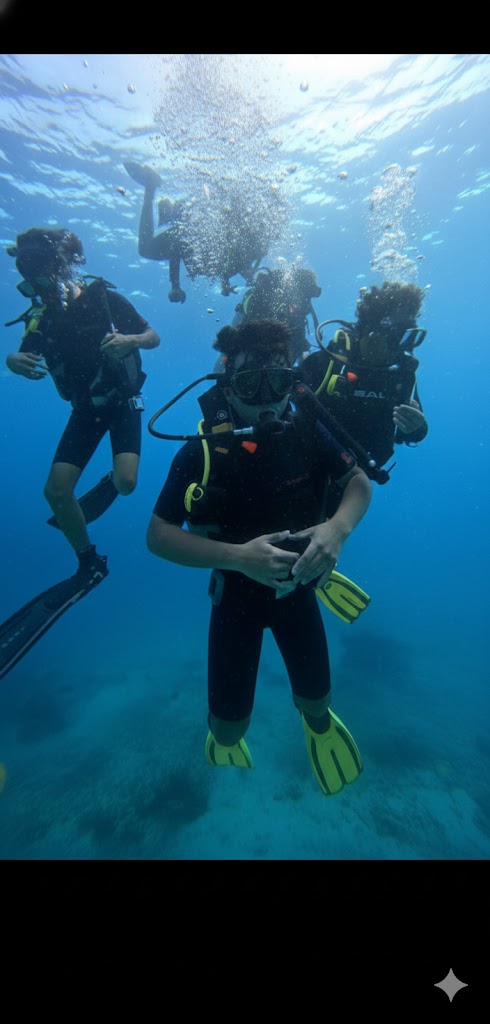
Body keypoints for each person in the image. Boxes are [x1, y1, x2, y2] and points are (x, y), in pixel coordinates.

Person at [146, 319, 372, 797]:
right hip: (236, 603)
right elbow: (158, 536)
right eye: (251, 384)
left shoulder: (308, 431)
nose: (268, 399)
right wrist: (238, 557)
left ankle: (319, 727)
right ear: (229, 386)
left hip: (299, 591)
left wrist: (337, 530)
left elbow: (359, 485)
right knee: (229, 731)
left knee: (317, 703)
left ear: (292, 382)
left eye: (279, 382)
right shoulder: (204, 451)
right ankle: (225, 737)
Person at [4, 227, 160, 585]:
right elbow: (23, 352)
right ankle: (88, 561)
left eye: (43, 276)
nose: (41, 289)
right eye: (32, 281)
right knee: (55, 492)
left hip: (122, 400)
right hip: (86, 409)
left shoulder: (102, 297)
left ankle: (115, 477)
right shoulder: (42, 317)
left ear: (61, 268)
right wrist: (12, 359)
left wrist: (130, 339)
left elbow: (153, 337)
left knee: (126, 483)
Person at [299, 281, 429, 476]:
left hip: (361, 476)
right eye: (396, 336)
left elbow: (408, 431)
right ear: (370, 329)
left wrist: (418, 428)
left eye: (407, 336)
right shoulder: (330, 362)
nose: (402, 347)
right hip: (308, 471)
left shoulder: (401, 372)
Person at [124, 160, 270, 304]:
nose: (260, 255)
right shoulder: (237, 245)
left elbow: (232, 266)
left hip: (191, 232)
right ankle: (151, 188)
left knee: (148, 248)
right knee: (145, 249)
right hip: (186, 232)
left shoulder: (244, 250)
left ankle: (158, 196)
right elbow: (177, 247)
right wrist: (175, 285)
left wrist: (239, 281)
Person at [232, 264, 322, 364]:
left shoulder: (296, 313)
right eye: (308, 294)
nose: (308, 302)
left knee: (230, 350)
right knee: (231, 347)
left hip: (257, 331)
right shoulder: (267, 299)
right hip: (250, 326)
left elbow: (299, 347)